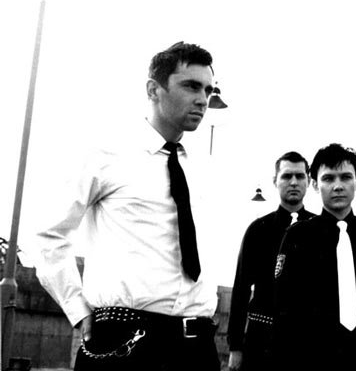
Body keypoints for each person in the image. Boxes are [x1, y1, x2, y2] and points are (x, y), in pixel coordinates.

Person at [33, 42, 221, 370]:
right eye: (191, 86)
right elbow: (48, 235)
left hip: (197, 345)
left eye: (208, 89)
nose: (203, 99)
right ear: (153, 89)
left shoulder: (204, 167)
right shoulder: (105, 154)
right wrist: (77, 309)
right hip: (124, 340)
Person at [273, 143, 356, 371]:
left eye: (346, 177)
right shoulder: (298, 236)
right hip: (314, 358)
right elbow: (285, 309)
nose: (338, 186)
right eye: (328, 178)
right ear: (314, 184)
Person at [227, 151, 316, 371]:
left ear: (308, 181)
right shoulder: (258, 230)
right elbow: (241, 288)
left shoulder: (320, 230)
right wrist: (235, 346)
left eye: (299, 176)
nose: (293, 182)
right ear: (275, 181)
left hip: (306, 343)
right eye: (286, 176)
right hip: (261, 341)